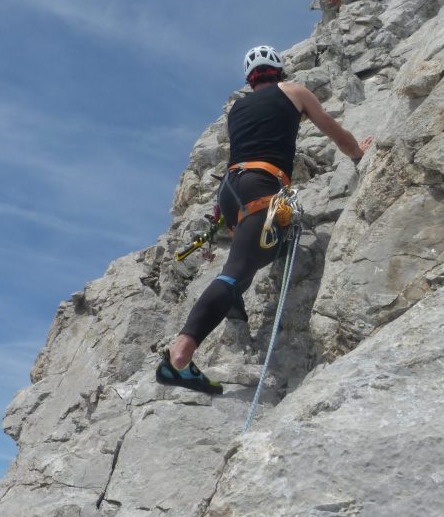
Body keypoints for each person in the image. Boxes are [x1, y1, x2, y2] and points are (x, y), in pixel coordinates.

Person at [156, 44, 373, 394]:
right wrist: (358, 151)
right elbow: (332, 129)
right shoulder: (295, 91)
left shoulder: (237, 109)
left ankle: (233, 301)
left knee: (254, 252)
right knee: (237, 270)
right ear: (279, 69)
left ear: (250, 77)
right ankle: (179, 358)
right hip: (262, 183)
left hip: (230, 191)